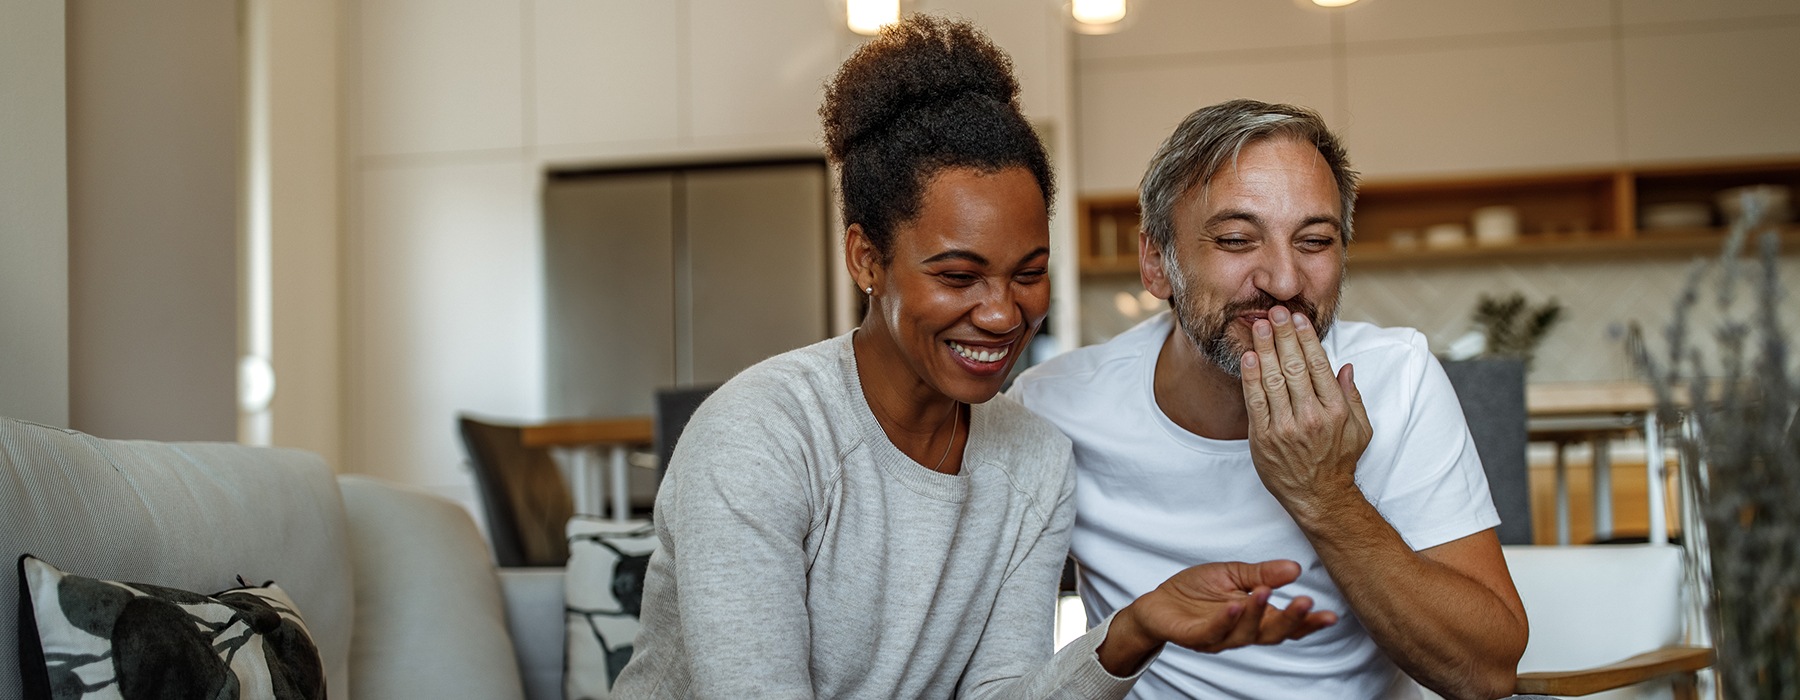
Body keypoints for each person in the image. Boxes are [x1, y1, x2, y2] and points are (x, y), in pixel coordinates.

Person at [611, 22, 1334, 700]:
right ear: (866, 258)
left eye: (1028, 272)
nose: (1000, 312)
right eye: (958, 276)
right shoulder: (763, 435)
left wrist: (1133, 632)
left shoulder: (1033, 458)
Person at [1010, 99, 1530, 700]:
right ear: (1156, 262)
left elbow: (1486, 673)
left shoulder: (1398, 376)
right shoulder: (1053, 406)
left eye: (1314, 241)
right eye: (1236, 240)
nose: (1283, 282)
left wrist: (1326, 495)